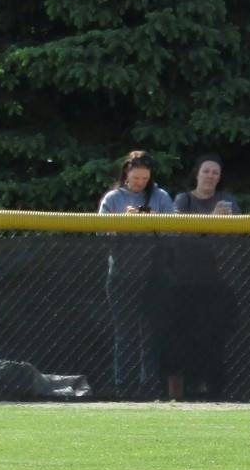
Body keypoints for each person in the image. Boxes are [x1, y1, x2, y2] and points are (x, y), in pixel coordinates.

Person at [98, 151, 176, 399]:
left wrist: (154, 222)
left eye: (145, 178)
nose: (140, 183)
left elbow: (174, 229)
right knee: (125, 334)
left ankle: (150, 386)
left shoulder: (160, 196)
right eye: (136, 178)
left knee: (151, 333)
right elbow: (100, 232)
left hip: (154, 274)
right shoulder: (112, 198)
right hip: (121, 275)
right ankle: (125, 388)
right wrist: (124, 222)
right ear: (126, 174)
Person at [166, 155, 238, 400]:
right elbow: (177, 233)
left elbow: (235, 238)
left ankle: (211, 390)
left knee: (212, 337)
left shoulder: (227, 202)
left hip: (215, 282)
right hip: (183, 282)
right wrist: (210, 222)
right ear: (197, 173)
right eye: (206, 171)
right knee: (181, 337)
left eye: (215, 173)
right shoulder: (183, 200)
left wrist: (223, 224)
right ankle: (178, 392)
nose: (210, 176)